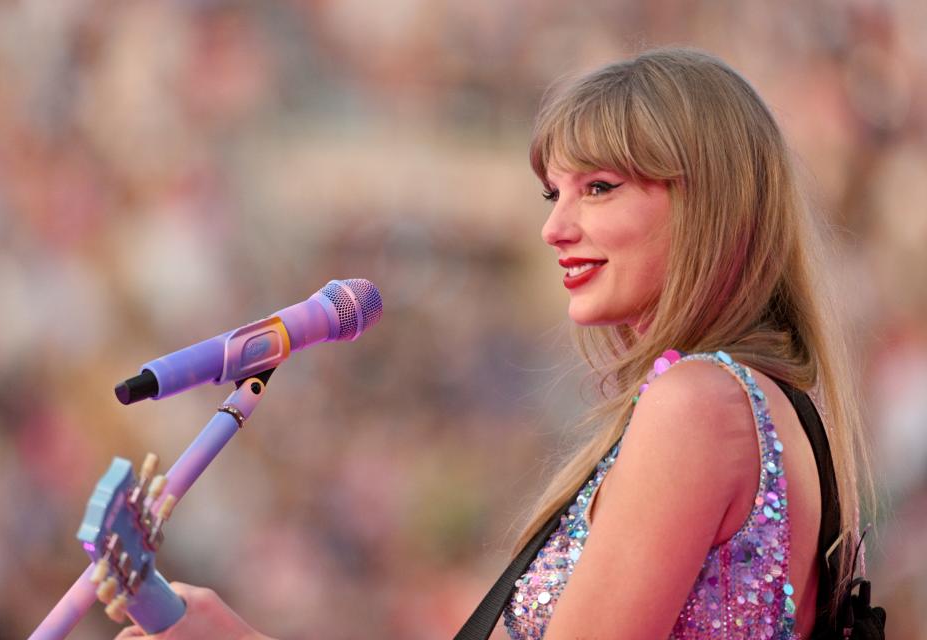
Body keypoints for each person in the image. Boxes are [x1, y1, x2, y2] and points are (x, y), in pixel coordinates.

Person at [115, 47, 871, 640]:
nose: (555, 227)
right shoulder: (765, 403)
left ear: (709, 200)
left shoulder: (698, 406)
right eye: (555, 193)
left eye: (599, 188)